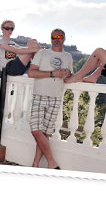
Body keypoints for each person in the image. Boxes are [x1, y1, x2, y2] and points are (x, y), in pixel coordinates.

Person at [28, 29, 73, 169]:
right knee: (36, 130)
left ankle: (35, 164)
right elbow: (31, 72)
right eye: (54, 36)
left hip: (56, 97)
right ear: (50, 38)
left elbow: (70, 75)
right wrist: (53, 73)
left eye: (59, 36)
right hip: (40, 95)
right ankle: (52, 163)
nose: (56, 39)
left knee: (45, 133)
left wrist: (67, 74)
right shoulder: (42, 53)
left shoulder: (68, 56)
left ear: (64, 39)